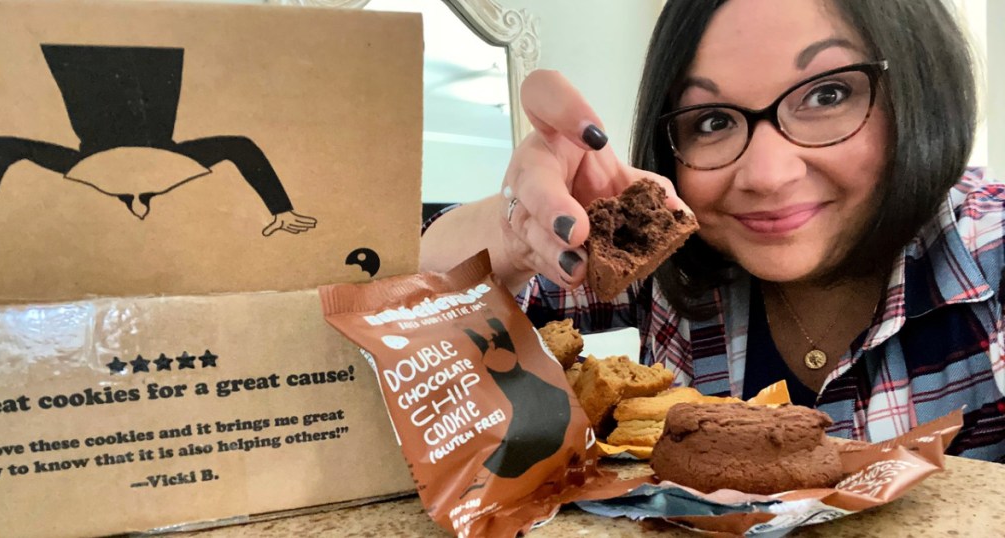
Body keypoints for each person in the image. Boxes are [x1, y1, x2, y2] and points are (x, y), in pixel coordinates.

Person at [420, 0, 1004, 463]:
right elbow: (398, 287)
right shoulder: (672, 260)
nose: (769, 176)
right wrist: (518, 230)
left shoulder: (990, 257)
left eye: (828, 94)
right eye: (713, 121)